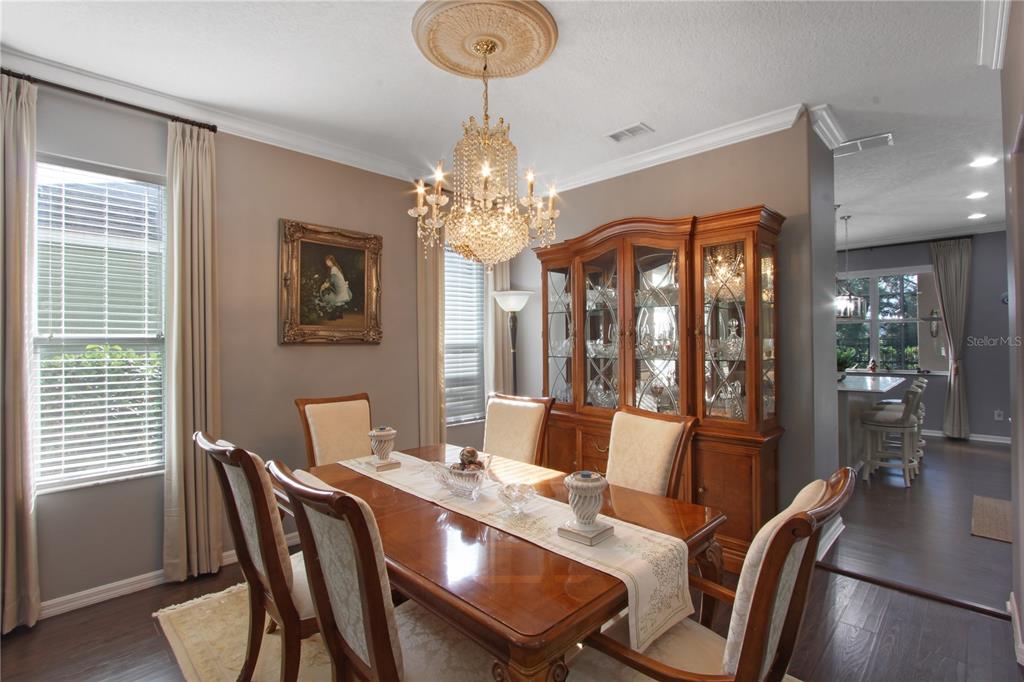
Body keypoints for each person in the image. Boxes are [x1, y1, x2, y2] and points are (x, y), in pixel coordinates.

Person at [318, 254, 353, 319]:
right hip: (340, 285)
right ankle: (340, 314)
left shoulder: (334, 268)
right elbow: (332, 278)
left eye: (328, 261)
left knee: (336, 300)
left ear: (332, 261)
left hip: (340, 286)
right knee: (339, 300)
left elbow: (333, 279)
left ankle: (334, 316)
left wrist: (327, 284)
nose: (327, 263)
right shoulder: (335, 268)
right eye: (326, 262)